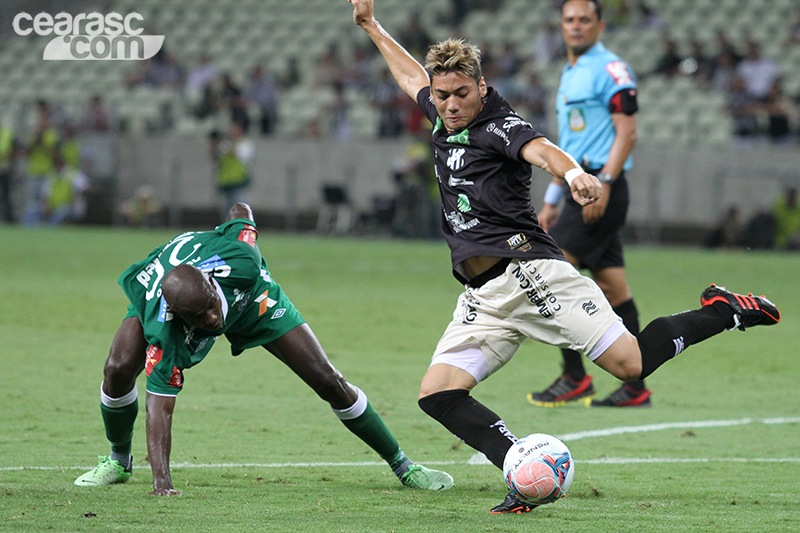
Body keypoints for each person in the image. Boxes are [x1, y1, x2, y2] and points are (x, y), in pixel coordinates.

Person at [347, 0, 780, 513]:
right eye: (442, 96)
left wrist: (574, 176)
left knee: (631, 365)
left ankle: (722, 310)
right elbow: (409, 76)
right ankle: (521, 469)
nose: (451, 104)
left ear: (481, 88)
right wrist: (372, 26)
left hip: (531, 273)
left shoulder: (499, 125)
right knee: (438, 394)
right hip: (484, 297)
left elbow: (544, 150)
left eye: (462, 94)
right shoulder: (444, 115)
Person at [74, 202, 454, 494]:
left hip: (254, 303)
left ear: (210, 279)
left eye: (210, 306)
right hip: (164, 289)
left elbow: (240, 212)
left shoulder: (243, 263)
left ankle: (404, 466)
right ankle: (119, 461)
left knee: (327, 378)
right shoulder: (166, 324)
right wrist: (162, 483)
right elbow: (161, 404)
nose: (212, 320)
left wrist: (238, 228)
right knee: (118, 367)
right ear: (177, 314)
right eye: (199, 317)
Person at [529, 0, 648, 409]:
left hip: (601, 188)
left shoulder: (610, 69)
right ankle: (637, 385)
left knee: (549, 274)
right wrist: (551, 200)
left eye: (584, 20)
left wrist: (608, 182)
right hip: (579, 189)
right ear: (560, 26)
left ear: (599, 25)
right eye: (569, 20)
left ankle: (575, 377)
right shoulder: (571, 72)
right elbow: (571, 146)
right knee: (614, 287)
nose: (576, 26)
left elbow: (627, 131)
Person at [209, 121, 254, 221]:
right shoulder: (226, 143)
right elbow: (215, 156)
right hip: (226, 181)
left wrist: (225, 144)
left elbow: (239, 154)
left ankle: (241, 230)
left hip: (239, 180)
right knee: (226, 211)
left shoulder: (244, 143)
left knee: (239, 208)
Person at [0, 114, 19, 223]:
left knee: (6, 196)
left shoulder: (7, 133)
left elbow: (14, 149)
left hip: (5, 169)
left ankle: (9, 220)